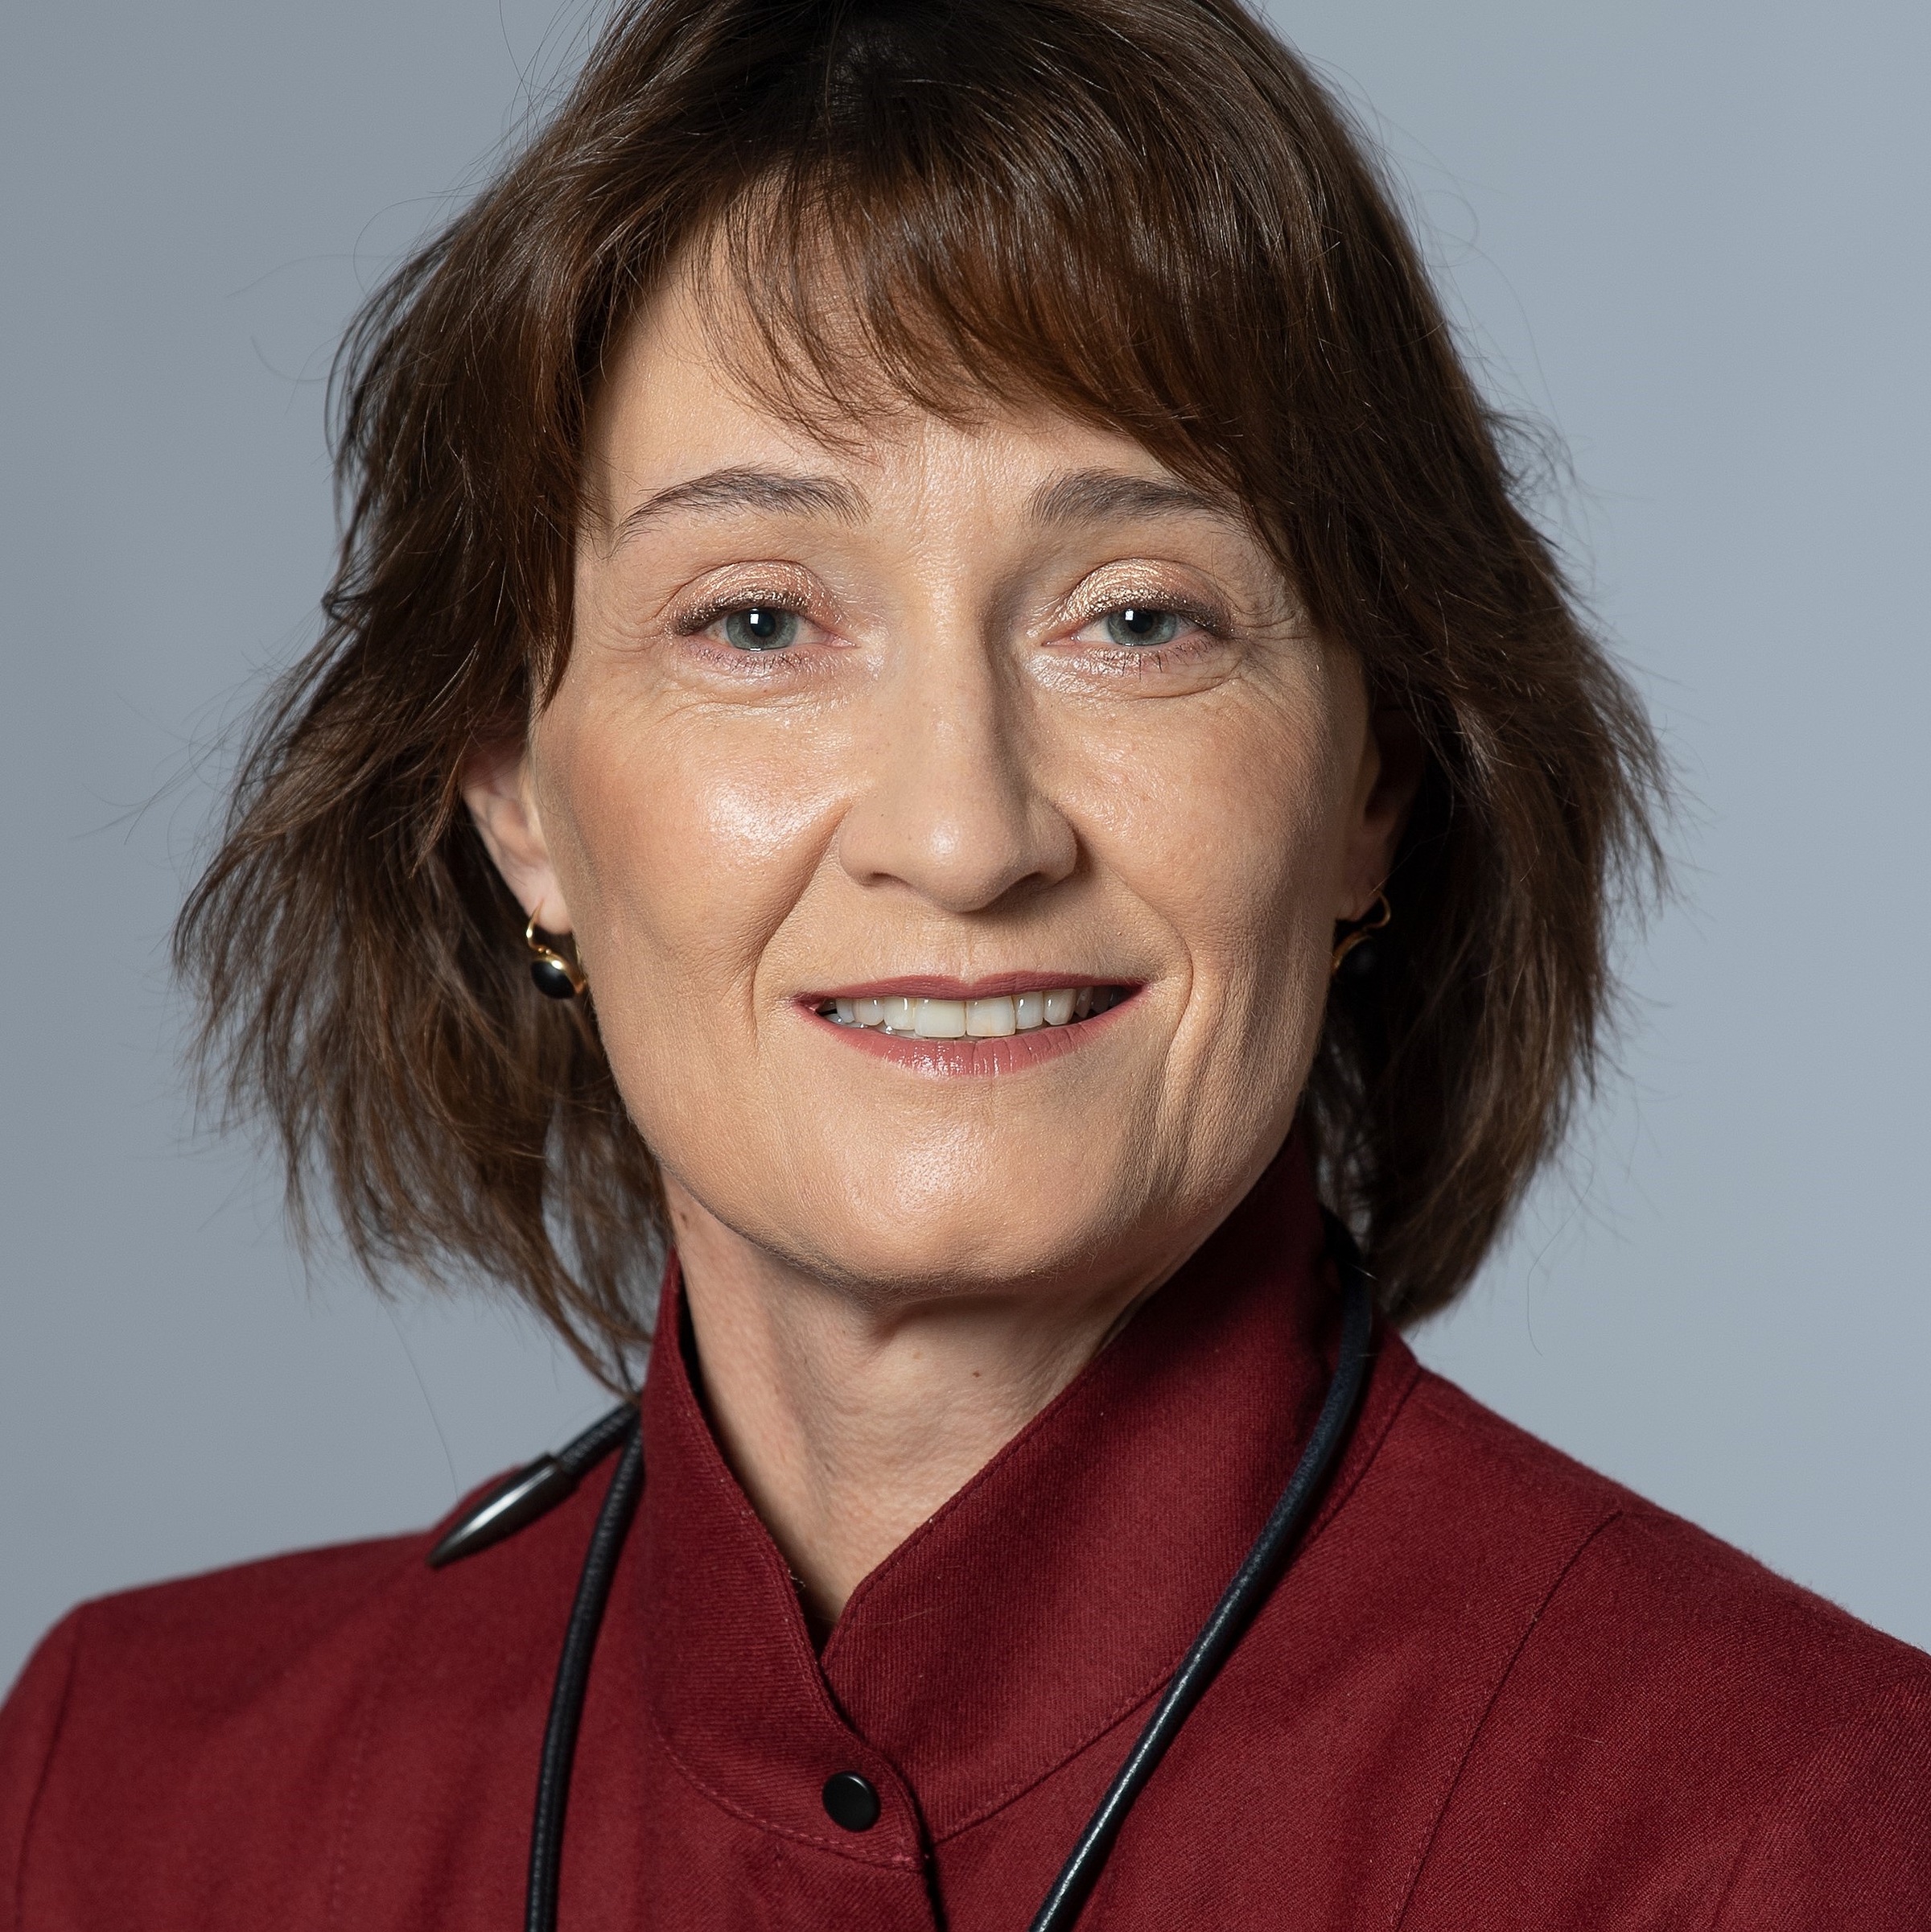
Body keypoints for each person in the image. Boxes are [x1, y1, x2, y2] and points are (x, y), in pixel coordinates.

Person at [3, 0, 1926, 1923]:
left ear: (1376, 780)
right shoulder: (127, 1808)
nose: (962, 830)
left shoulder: (1791, 1838)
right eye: (758, 622)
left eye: (1138, 620)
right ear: (515, 792)